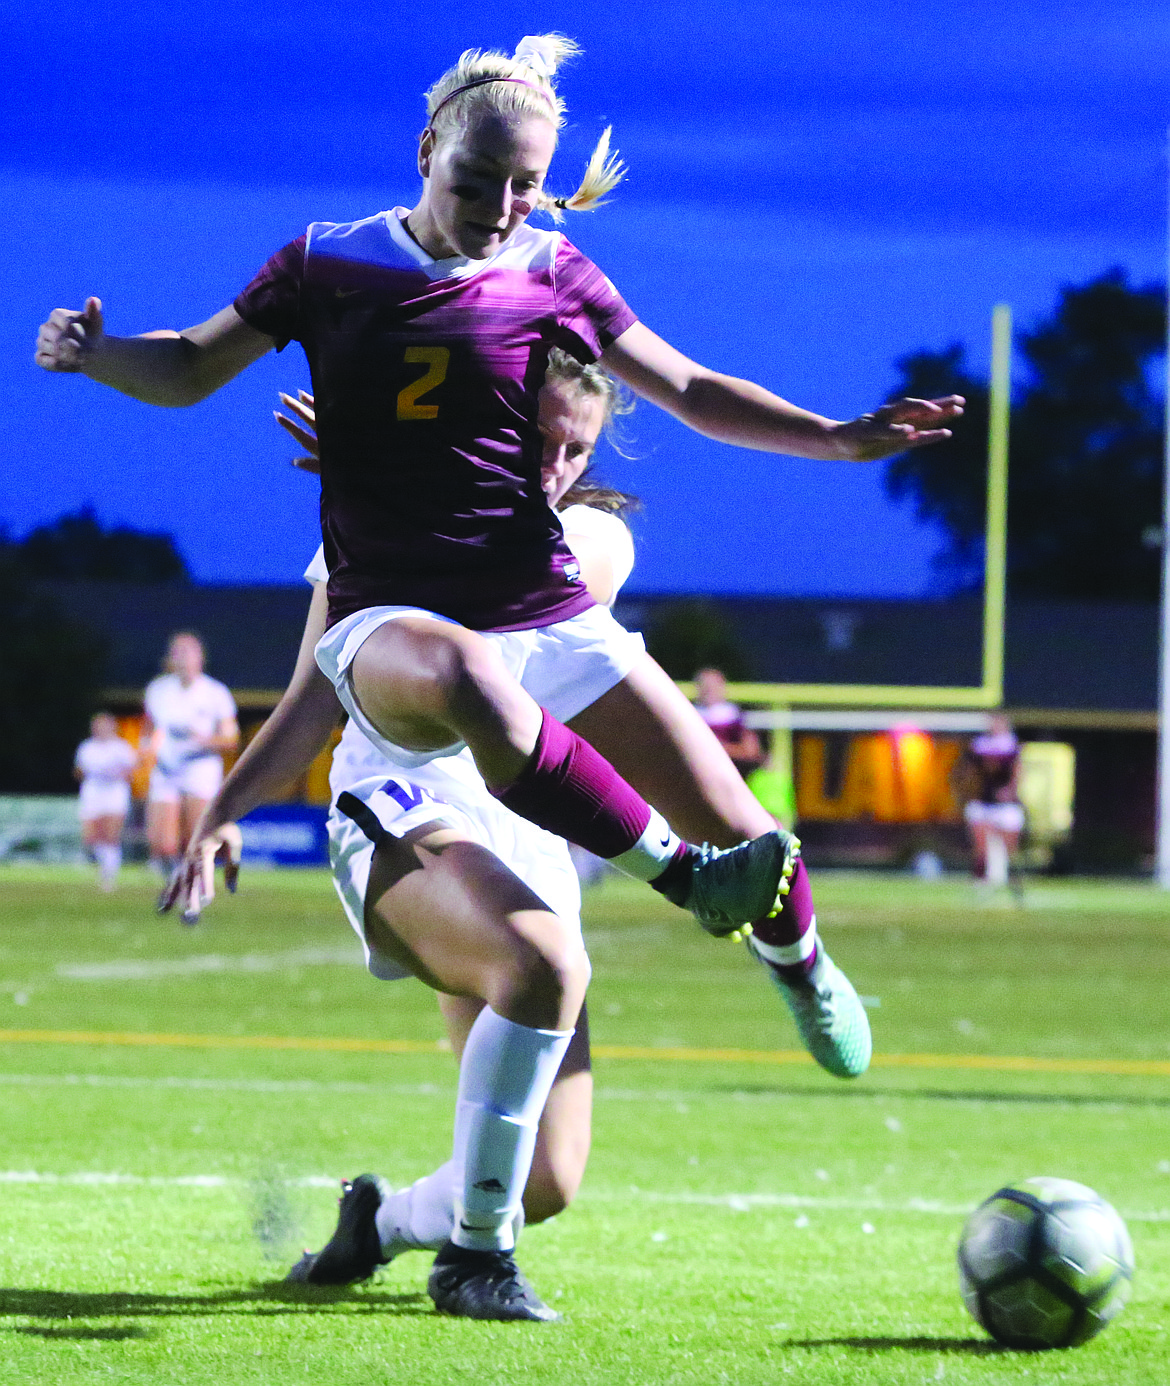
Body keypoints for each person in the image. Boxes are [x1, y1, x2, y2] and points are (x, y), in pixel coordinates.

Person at [38, 28, 955, 1302]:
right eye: (481, 182)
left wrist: (837, 445)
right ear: (426, 154)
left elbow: (686, 387)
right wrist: (98, 358)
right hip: (387, 632)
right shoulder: (330, 262)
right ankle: (682, 886)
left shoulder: (551, 270)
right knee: (471, 680)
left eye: (528, 187)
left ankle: (795, 959)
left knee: (753, 836)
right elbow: (192, 363)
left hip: (546, 621)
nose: (503, 209)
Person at [169, 355, 639, 1320]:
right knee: (542, 960)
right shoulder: (365, 531)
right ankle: (474, 1266)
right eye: (535, 436)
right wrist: (222, 811)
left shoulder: (595, 534)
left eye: (574, 448)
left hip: (524, 833)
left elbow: (519, 567)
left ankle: (377, 1223)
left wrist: (389, 484)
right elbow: (312, 699)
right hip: (398, 806)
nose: (552, 463)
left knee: (541, 1179)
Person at [143, 632, 240, 885]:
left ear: (200, 658)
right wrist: (147, 751)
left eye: (189, 652)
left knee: (195, 839)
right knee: (162, 844)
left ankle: (192, 888)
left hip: (200, 768)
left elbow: (231, 739)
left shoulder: (215, 692)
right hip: (167, 769)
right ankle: (175, 880)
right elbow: (149, 729)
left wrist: (202, 739)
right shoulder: (158, 690)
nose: (183, 658)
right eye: (178, 652)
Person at [958, 714, 1025, 893]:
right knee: (981, 846)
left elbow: (1018, 771)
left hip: (1006, 805)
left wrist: (1010, 791)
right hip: (983, 802)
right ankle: (980, 882)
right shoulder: (979, 745)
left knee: (1010, 847)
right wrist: (970, 791)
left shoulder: (1011, 745)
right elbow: (969, 772)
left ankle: (1014, 882)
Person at [73, 712, 139, 890]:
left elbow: (131, 772)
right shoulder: (87, 747)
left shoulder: (121, 747)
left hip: (114, 794)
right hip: (93, 793)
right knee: (91, 836)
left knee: (110, 835)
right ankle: (104, 866)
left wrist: (115, 774)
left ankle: (109, 876)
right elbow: (78, 771)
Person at [693, 667, 763, 779]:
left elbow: (751, 751)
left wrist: (718, 748)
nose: (710, 690)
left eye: (714, 686)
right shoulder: (691, 716)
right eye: (705, 686)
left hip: (732, 774)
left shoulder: (735, 717)